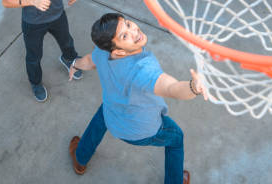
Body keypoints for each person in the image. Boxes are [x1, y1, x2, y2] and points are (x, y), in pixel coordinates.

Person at [67, 13, 209, 184]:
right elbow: (170, 88)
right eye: (124, 35)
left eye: (127, 24)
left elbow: (89, 61)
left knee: (102, 114)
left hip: (113, 114)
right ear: (118, 51)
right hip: (140, 130)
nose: (133, 30)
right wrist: (193, 87)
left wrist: (75, 64)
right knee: (176, 138)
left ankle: (80, 158)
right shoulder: (142, 68)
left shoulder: (104, 51)